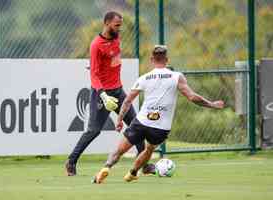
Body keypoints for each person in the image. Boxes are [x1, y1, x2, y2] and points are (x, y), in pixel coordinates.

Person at [92, 45, 224, 183]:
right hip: (160, 129)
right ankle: (133, 172)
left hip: (141, 122)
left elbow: (127, 101)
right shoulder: (176, 77)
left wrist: (119, 120)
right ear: (166, 60)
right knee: (148, 150)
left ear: (151, 60)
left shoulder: (144, 78)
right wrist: (212, 104)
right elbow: (192, 97)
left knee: (119, 151)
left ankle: (106, 168)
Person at [65, 11, 153, 176]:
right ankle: (71, 161)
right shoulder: (96, 45)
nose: (119, 29)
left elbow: (114, 63)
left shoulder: (116, 39)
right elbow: (94, 74)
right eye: (116, 25)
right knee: (94, 130)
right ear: (106, 23)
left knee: (136, 126)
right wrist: (103, 95)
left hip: (118, 91)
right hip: (102, 93)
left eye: (120, 25)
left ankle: (144, 165)